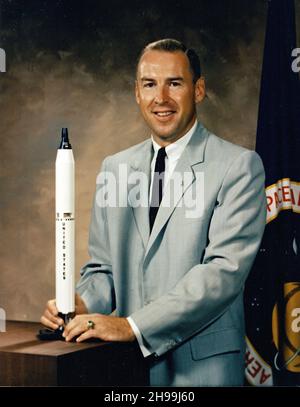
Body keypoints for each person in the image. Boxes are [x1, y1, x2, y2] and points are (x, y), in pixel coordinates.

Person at [41, 38, 266, 386]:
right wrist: (81, 302)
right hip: (127, 369)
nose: (160, 98)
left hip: (201, 370)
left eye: (174, 83)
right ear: (137, 93)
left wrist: (132, 326)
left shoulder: (237, 167)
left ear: (199, 89)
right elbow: (104, 268)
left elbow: (222, 274)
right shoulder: (114, 168)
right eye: (149, 84)